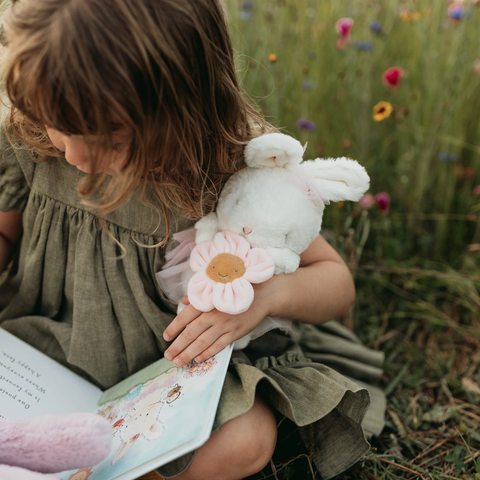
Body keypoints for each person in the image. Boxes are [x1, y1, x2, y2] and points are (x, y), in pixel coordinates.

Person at [0, 0, 385, 479]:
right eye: (61, 127)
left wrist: (263, 299)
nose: (75, 154)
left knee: (247, 438)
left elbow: (335, 280)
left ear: (178, 106)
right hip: (44, 345)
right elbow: (5, 233)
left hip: (172, 371)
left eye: (109, 139)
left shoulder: (232, 164)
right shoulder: (28, 134)